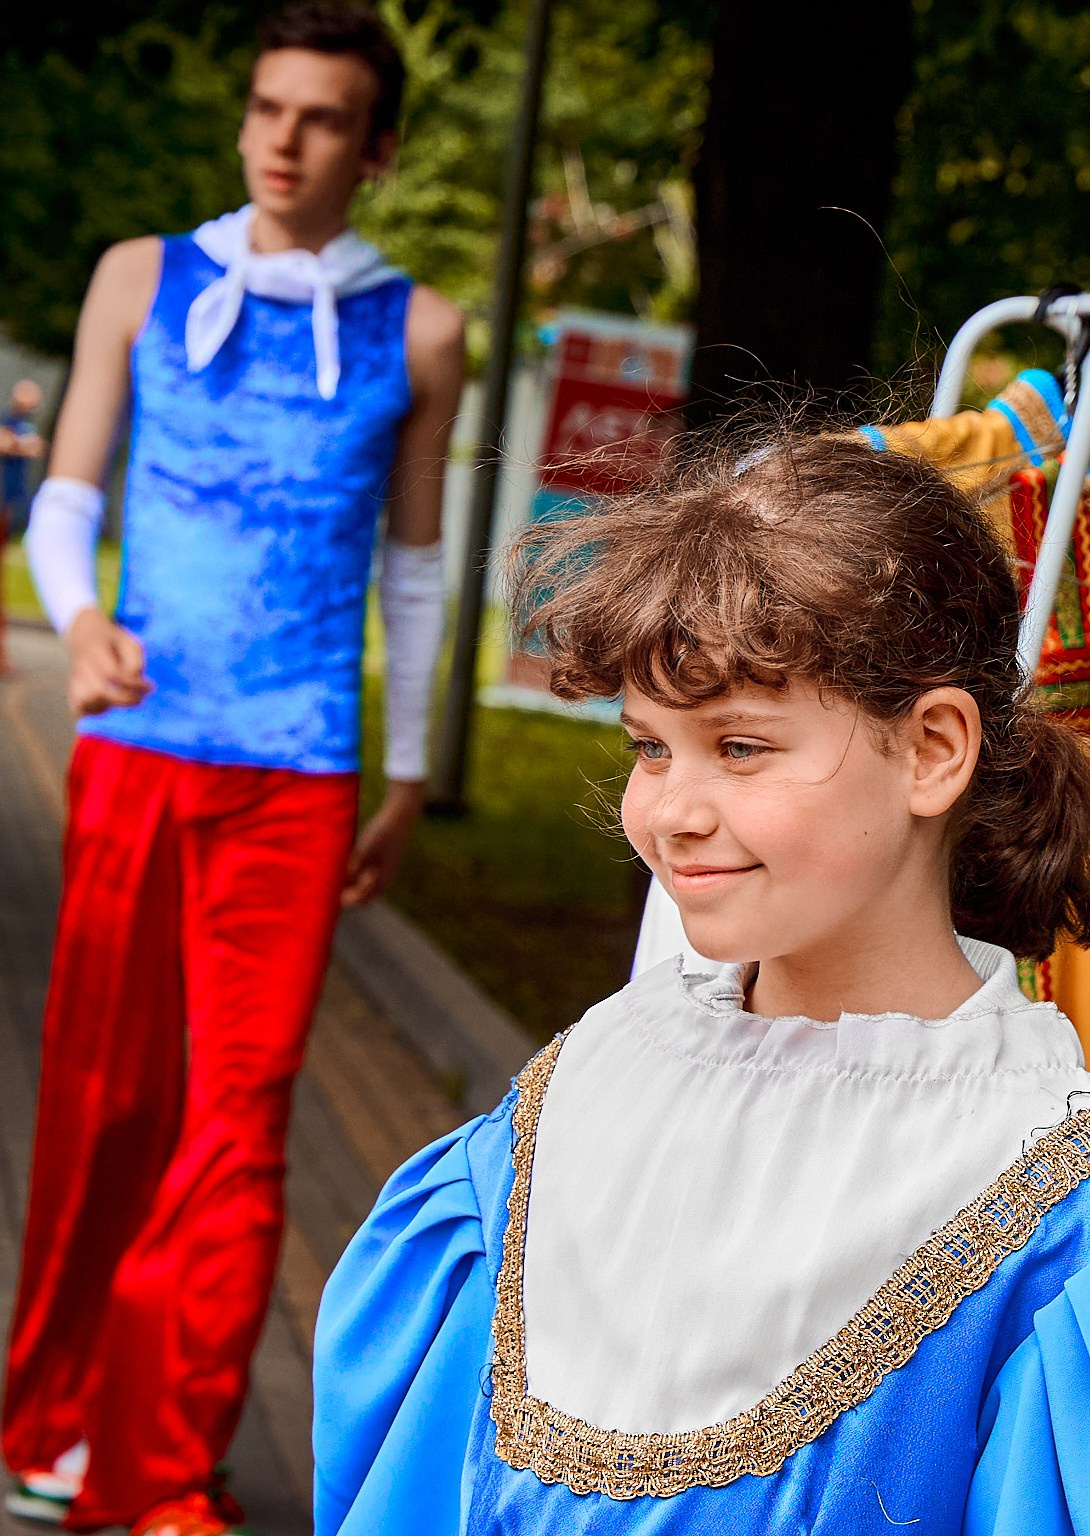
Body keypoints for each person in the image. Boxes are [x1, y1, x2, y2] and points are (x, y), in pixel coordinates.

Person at [310, 432, 1090, 1536]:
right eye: (651, 747)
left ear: (932, 750)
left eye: (739, 746)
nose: (672, 809)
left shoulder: (1051, 1197)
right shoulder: (589, 1079)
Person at [2, 5, 465, 1532]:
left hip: (298, 775)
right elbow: (69, 494)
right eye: (267, 107)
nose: (282, 138)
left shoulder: (427, 331)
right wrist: (76, 626)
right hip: (138, 750)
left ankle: (161, 1474)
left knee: (241, 1118)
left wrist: (405, 777)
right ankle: (53, 1416)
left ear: (375, 148)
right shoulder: (143, 276)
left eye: (322, 117)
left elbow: (413, 570)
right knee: (102, 1098)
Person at [1, 377, 47, 675]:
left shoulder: (26, 426)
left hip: (9, 506)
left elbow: (37, 448)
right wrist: (19, 445)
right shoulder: (7, 420)